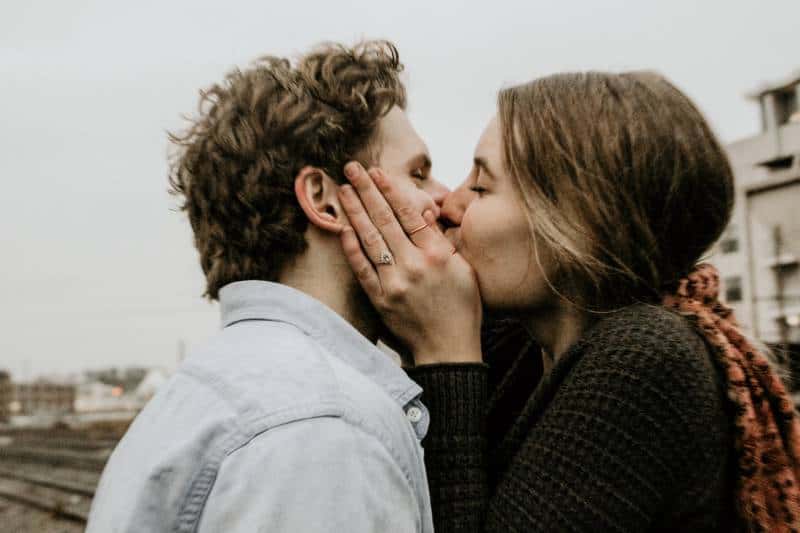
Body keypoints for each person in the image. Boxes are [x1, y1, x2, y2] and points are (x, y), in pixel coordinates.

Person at [337, 71, 800, 531]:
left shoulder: (647, 358)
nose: (448, 206)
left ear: (575, 225)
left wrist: (444, 355)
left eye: (481, 187)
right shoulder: (521, 346)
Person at [86, 41, 449, 532]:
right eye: (419, 174)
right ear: (324, 201)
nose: (444, 201)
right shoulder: (325, 429)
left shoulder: (195, 393)